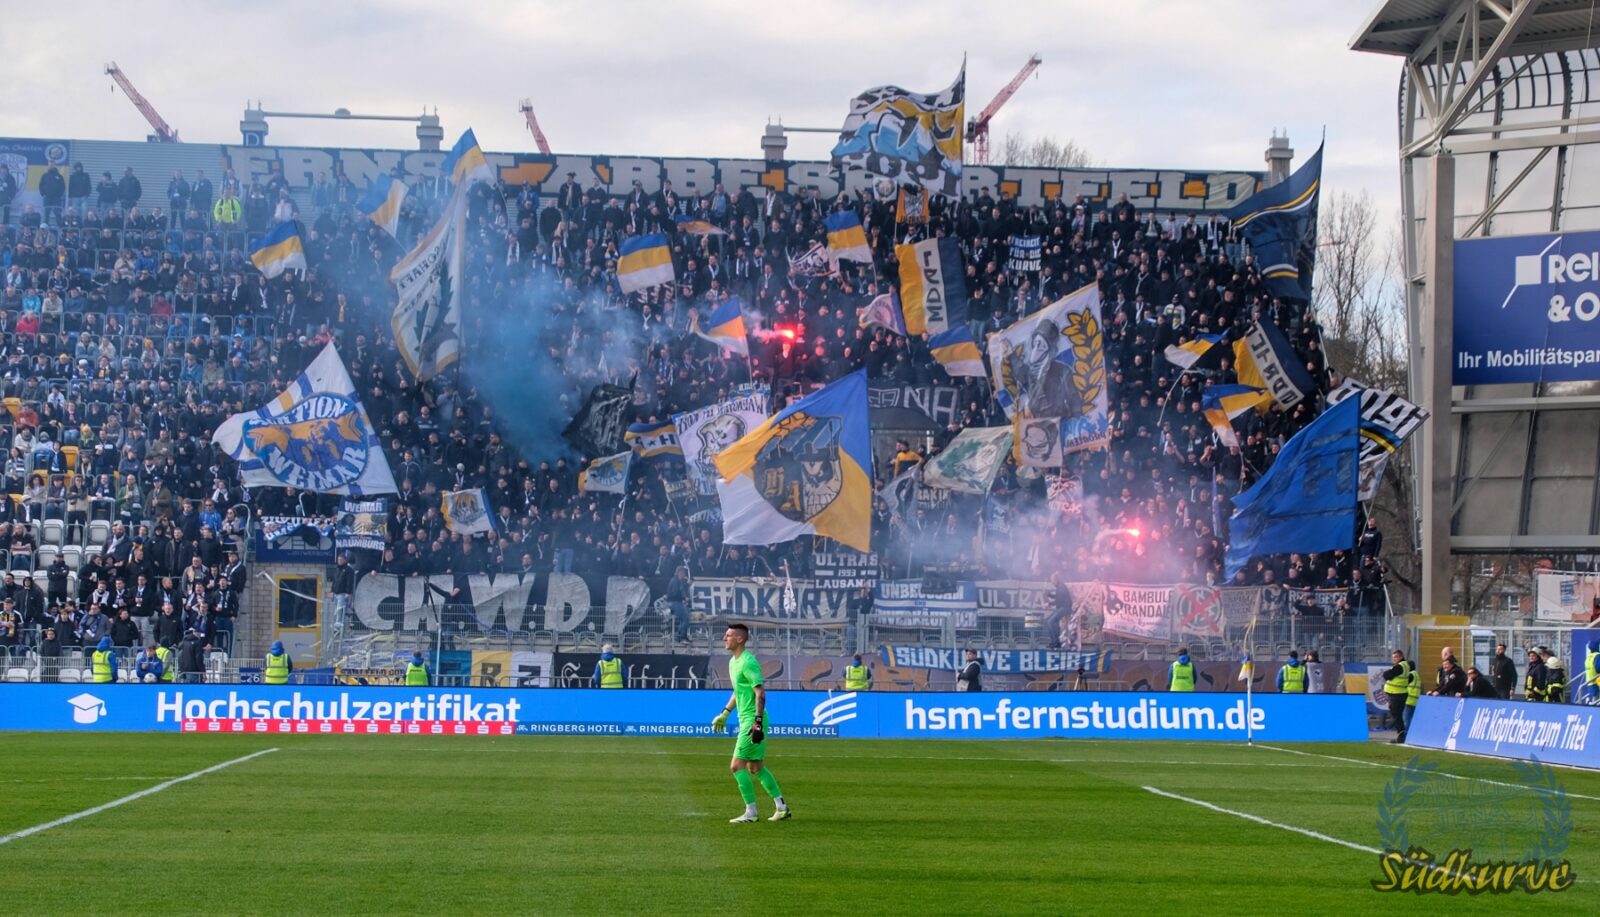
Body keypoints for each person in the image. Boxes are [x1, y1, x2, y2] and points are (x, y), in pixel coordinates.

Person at [710, 623, 790, 824]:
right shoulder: (733, 662)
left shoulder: (748, 662)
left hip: (753, 720)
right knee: (755, 767)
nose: (724, 638)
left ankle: (751, 812)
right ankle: (781, 808)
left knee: (736, 766)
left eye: (728, 635)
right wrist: (725, 713)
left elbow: (760, 692)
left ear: (739, 639)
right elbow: (738, 691)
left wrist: (758, 722)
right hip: (747, 719)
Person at [1380, 650, 1413, 741]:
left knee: (1396, 715)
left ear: (1401, 656)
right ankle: (1401, 734)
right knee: (1397, 715)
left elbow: (1387, 675)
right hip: (1400, 693)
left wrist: (1386, 673)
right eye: (1393, 657)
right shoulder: (1406, 666)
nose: (1394, 659)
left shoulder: (1400, 666)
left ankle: (1401, 734)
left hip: (1397, 694)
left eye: (1396, 657)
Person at [1583, 640, 1599, 705]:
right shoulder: (1597, 656)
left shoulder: (1588, 657)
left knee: (1594, 698)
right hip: (1597, 681)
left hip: (1590, 681)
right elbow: (1598, 668)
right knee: (1596, 699)